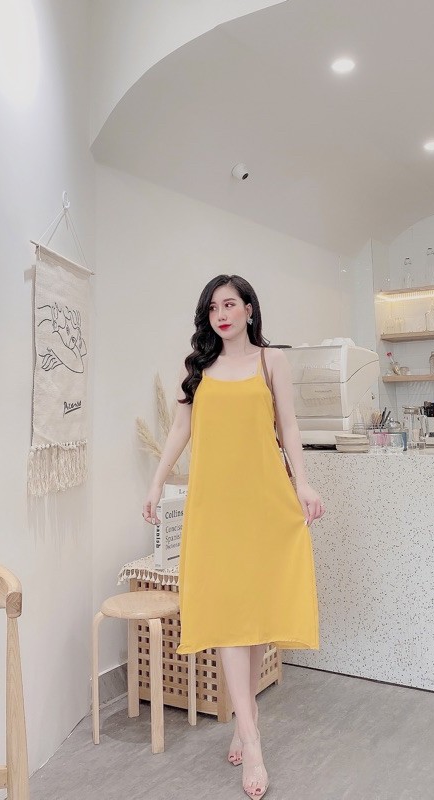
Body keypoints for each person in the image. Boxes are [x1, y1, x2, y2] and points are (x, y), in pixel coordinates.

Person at [142, 274, 324, 800]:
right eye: (212, 308)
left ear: (248, 309)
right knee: (226, 614)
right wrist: (156, 483)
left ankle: (244, 722)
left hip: (264, 500)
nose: (221, 314)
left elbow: (288, 426)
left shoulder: (272, 362)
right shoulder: (197, 369)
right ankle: (252, 738)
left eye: (230, 304)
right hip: (214, 506)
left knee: (257, 610)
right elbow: (181, 431)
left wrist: (303, 483)